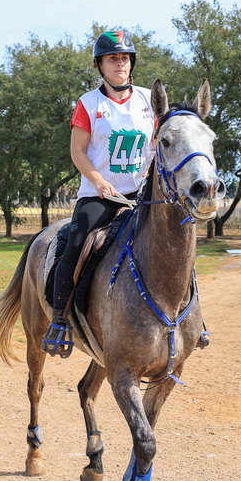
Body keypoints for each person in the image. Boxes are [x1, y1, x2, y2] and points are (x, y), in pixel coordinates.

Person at [41, 30, 156, 358]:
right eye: (112, 58)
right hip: (98, 196)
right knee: (75, 246)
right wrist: (97, 181)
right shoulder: (88, 104)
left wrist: (150, 172)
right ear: (100, 65)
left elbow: (158, 144)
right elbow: (78, 152)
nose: (120, 63)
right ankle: (60, 319)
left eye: (124, 58)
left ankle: (192, 318)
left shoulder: (149, 100)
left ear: (131, 63)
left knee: (176, 239)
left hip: (140, 196)